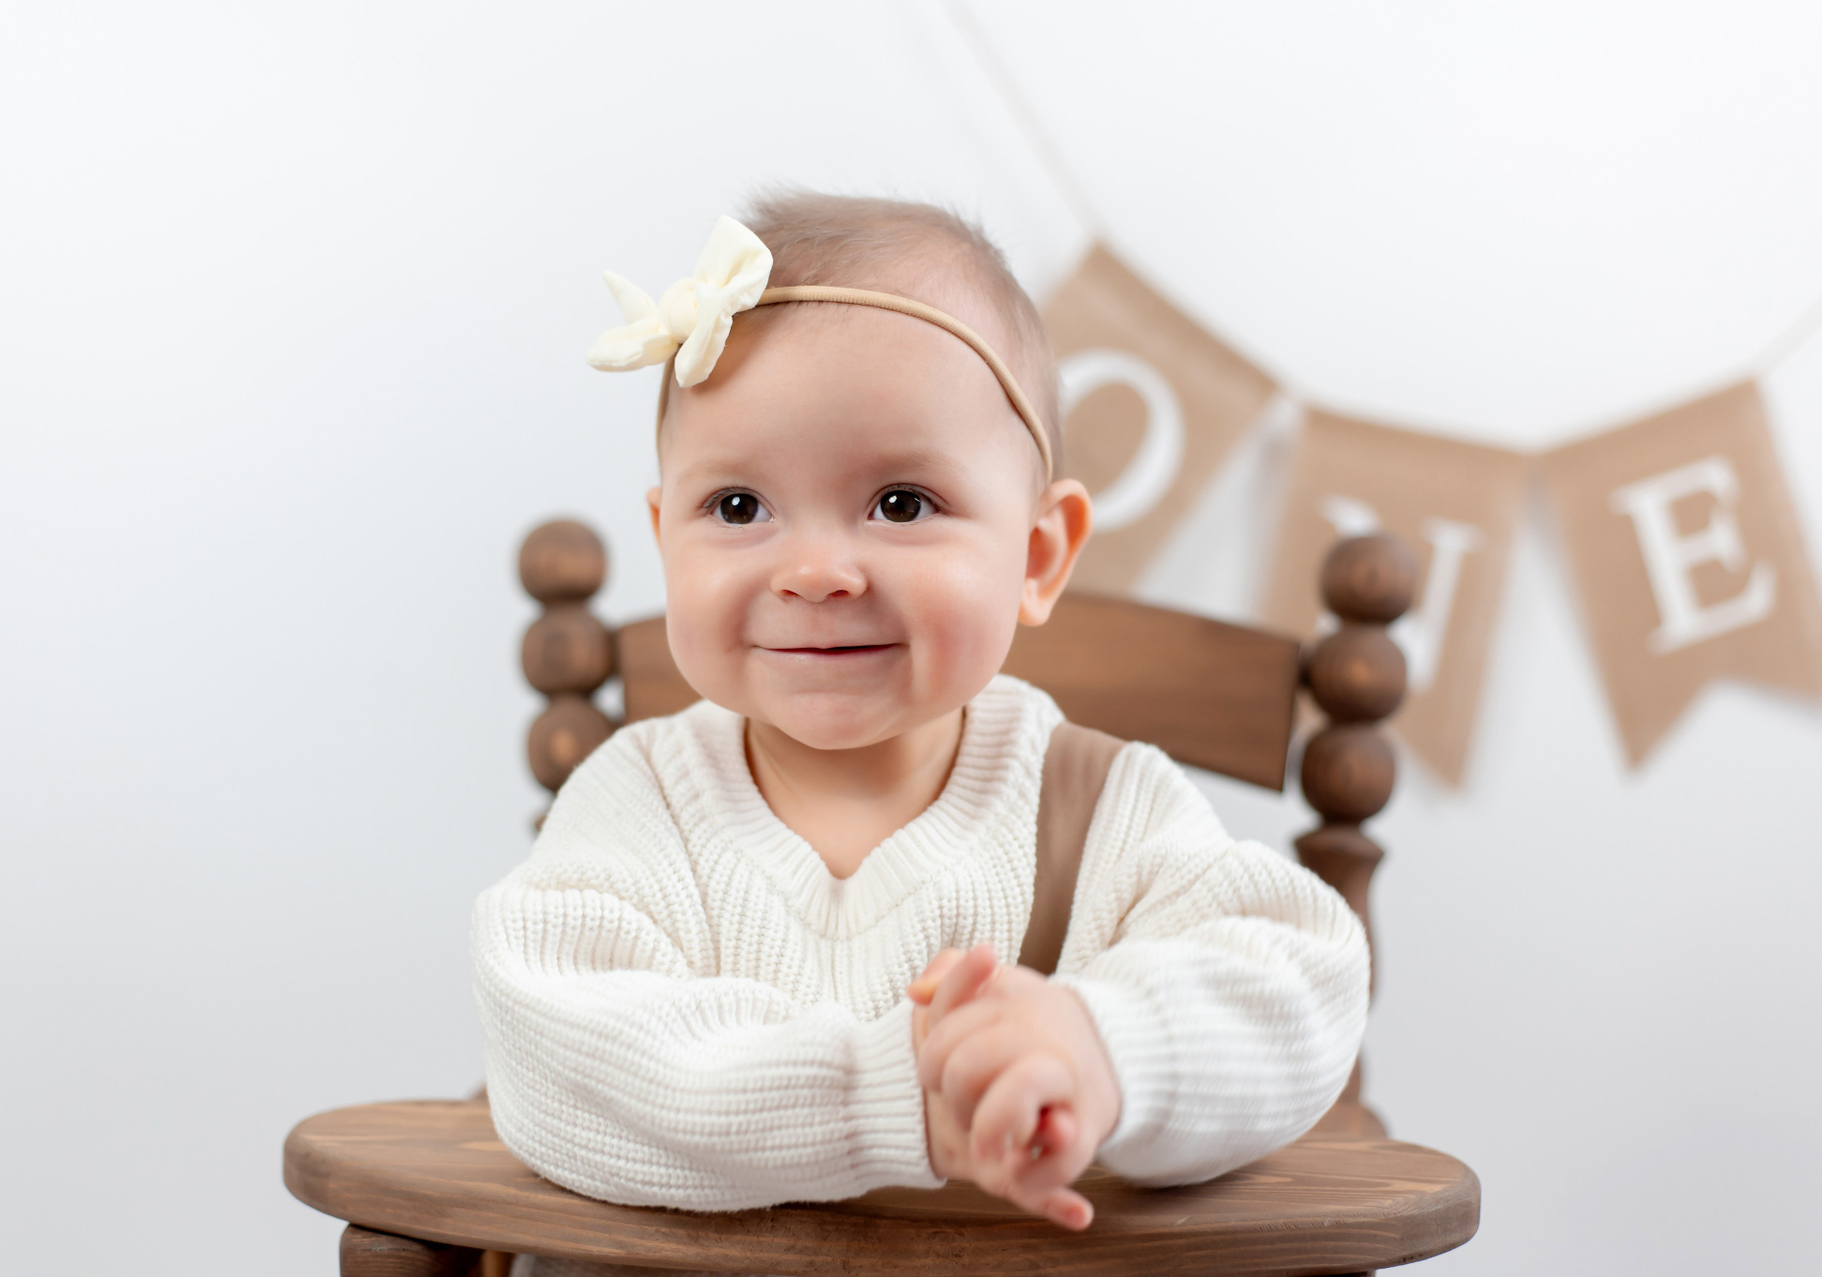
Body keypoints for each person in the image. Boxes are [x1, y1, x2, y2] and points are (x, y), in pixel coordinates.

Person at [471, 194, 1369, 1252]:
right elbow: (557, 1050)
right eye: (739, 506)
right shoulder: (640, 803)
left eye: (900, 502)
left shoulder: (1096, 810)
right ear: (667, 539)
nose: (815, 571)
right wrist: (898, 1095)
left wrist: (1107, 1048)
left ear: (1038, 554)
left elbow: (1302, 981)